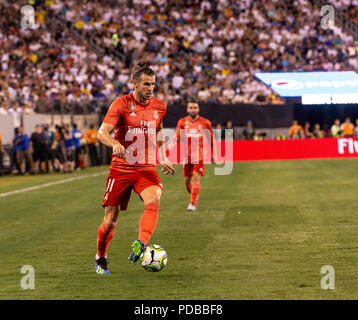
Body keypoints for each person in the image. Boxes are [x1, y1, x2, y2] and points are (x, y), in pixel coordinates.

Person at [95, 61, 175, 275]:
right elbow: (101, 133)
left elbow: (158, 131)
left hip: (146, 167)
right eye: (147, 84)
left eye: (153, 85)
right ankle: (100, 257)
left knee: (155, 198)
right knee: (110, 221)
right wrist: (115, 143)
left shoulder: (159, 106)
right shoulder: (120, 104)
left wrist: (163, 157)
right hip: (121, 168)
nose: (150, 89)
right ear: (135, 84)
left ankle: (141, 242)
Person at [171, 102, 215, 211]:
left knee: (196, 177)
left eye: (195, 107)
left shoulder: (205, 123)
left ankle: (193, 203)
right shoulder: (182, 122)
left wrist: (213, 154)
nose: (193, 109)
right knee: (187, 182)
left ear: (198, 109)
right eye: (191, 107)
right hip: (186, 157)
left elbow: (211, 139)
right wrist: (170, 149)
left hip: (199, 156)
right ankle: (194, 194)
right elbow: (176, 137)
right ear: (187, 109)